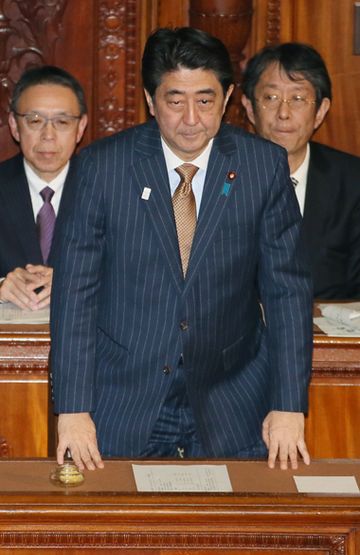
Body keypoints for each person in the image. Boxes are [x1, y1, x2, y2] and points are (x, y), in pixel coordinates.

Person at [50, 27, 313, 472]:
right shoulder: (102, 168)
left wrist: (289, 404)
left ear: (228, 98)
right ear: (151, 101)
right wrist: (72, 409)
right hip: (122, 399)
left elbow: (287, 291)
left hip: (233, 399)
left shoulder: (262, 167)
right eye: (175, 101)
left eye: (206, 100)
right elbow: (75, 295)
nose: (191, 118)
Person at [241, 42, 360, 300]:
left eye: (297, 99)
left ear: (320, 111)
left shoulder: (353, 183)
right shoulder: (220, 177)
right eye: (271, 98)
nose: (283, 113)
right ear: (249, 108)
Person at [0, 65, 88, 310]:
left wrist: (73, 282)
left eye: (62, 121)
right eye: (35, 120)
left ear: (80, 127)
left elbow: (140, 275)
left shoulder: (109, 191)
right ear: (15, 126)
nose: (48, 135)